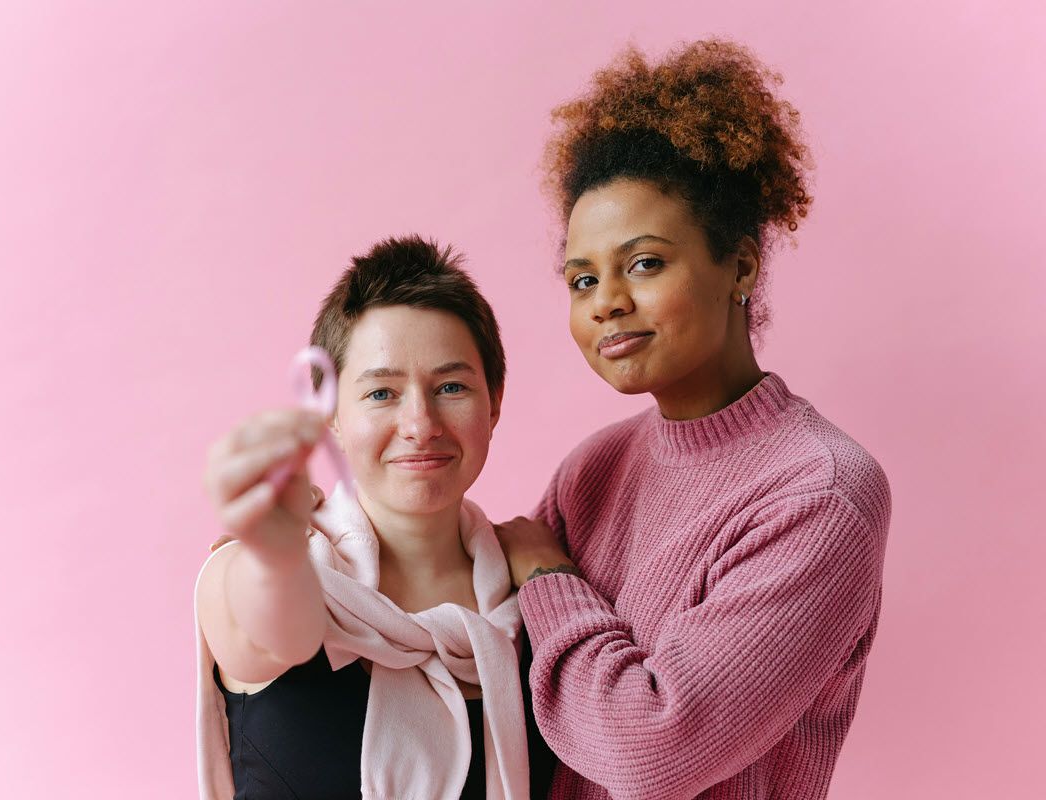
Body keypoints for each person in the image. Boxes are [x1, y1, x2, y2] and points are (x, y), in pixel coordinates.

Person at [495, 40, 891, 800]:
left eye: (644, 263)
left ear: (740, 266)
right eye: (583, 278)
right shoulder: (593, 471)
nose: (606, 300)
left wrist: (546, 573)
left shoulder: (821, 495)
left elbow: (653, 749)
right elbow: (477, 655)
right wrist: (303, 561)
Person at [195, 235, 556, 799]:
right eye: (382, 393)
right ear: (330, 412)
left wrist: (549, 575)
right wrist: (275, 551)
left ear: (495, 401)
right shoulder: (261, 567)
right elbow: (266, 635)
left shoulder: (536, 606)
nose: (421, 423)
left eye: (452, 386)